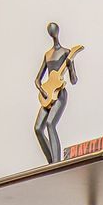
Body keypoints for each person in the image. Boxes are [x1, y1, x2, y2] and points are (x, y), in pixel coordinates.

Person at [32, 22, 83, 163]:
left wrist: (70, 67)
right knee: (38, 128)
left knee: (50, 123)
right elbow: (37, 80)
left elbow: (73, 80)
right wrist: (42, 91)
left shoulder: (66, 52)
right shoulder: (47, 55)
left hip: (59, 94)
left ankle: (56, 162)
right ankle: (51, 162)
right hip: (48, 94)